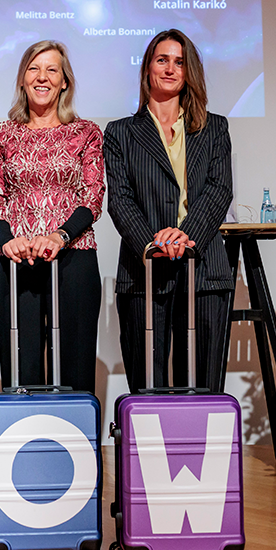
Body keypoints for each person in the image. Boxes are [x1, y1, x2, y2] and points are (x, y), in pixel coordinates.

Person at [103, 29, 234, 394]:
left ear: (189, 71)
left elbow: (219, 190)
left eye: (179, 62)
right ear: (147, 68)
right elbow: (120, 199)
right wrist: (153, 241)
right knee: (148, 390)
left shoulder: (215, 128)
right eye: (162, 60)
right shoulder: (120, 133)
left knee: (204, 387)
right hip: (143, 269)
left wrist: (184, 236)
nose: (170, 69)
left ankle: (199, 453)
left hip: (204, 269)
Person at [0, 40, 105, 394]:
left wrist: (60, 236)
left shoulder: (86, 133)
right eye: (34, 69)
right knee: (24, 372)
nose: (42, 77)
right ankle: (24, 448)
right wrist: (9, 242)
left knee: (76, 369)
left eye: (52, 70)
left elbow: (92, 197)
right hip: (19, 260)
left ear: (65, 81)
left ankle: (78, 449)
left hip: (75, 256)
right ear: (22, 79)